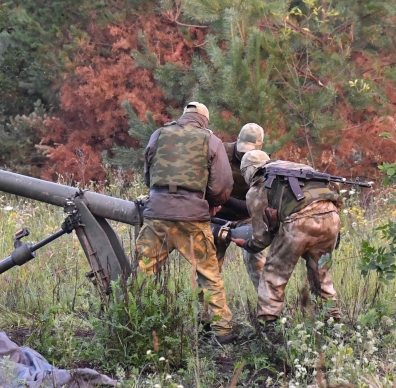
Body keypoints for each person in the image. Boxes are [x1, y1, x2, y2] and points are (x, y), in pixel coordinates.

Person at [136, 101, 235, 343]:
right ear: (204, 120)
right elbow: (223, 186)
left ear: (184, 116)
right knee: (209, 273)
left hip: (157, 213)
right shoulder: (211, 140)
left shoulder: (158, 134)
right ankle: (221, 330)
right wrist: (210, 201)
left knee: (144, 271)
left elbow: (148, 175)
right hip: (192, 217)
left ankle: (140, 324)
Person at [231, 151, 343, 329]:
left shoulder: (258, 188)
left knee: (273, 273)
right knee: (320, 273)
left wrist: (248, 245)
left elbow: (261, 238)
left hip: (300, 220)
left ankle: (268, 324)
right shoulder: (293, 168)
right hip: (331, 215)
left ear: (248, 171)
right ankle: (333, 321)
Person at [214, 123, 266, 291]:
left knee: (255, 259)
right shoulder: (219, 153)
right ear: (237, 140)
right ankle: (205, 310)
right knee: (209, 263)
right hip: (217, 214)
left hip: (246, 216)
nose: (243, 154)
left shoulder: (263, 162)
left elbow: (259, 202)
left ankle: (270, 308)